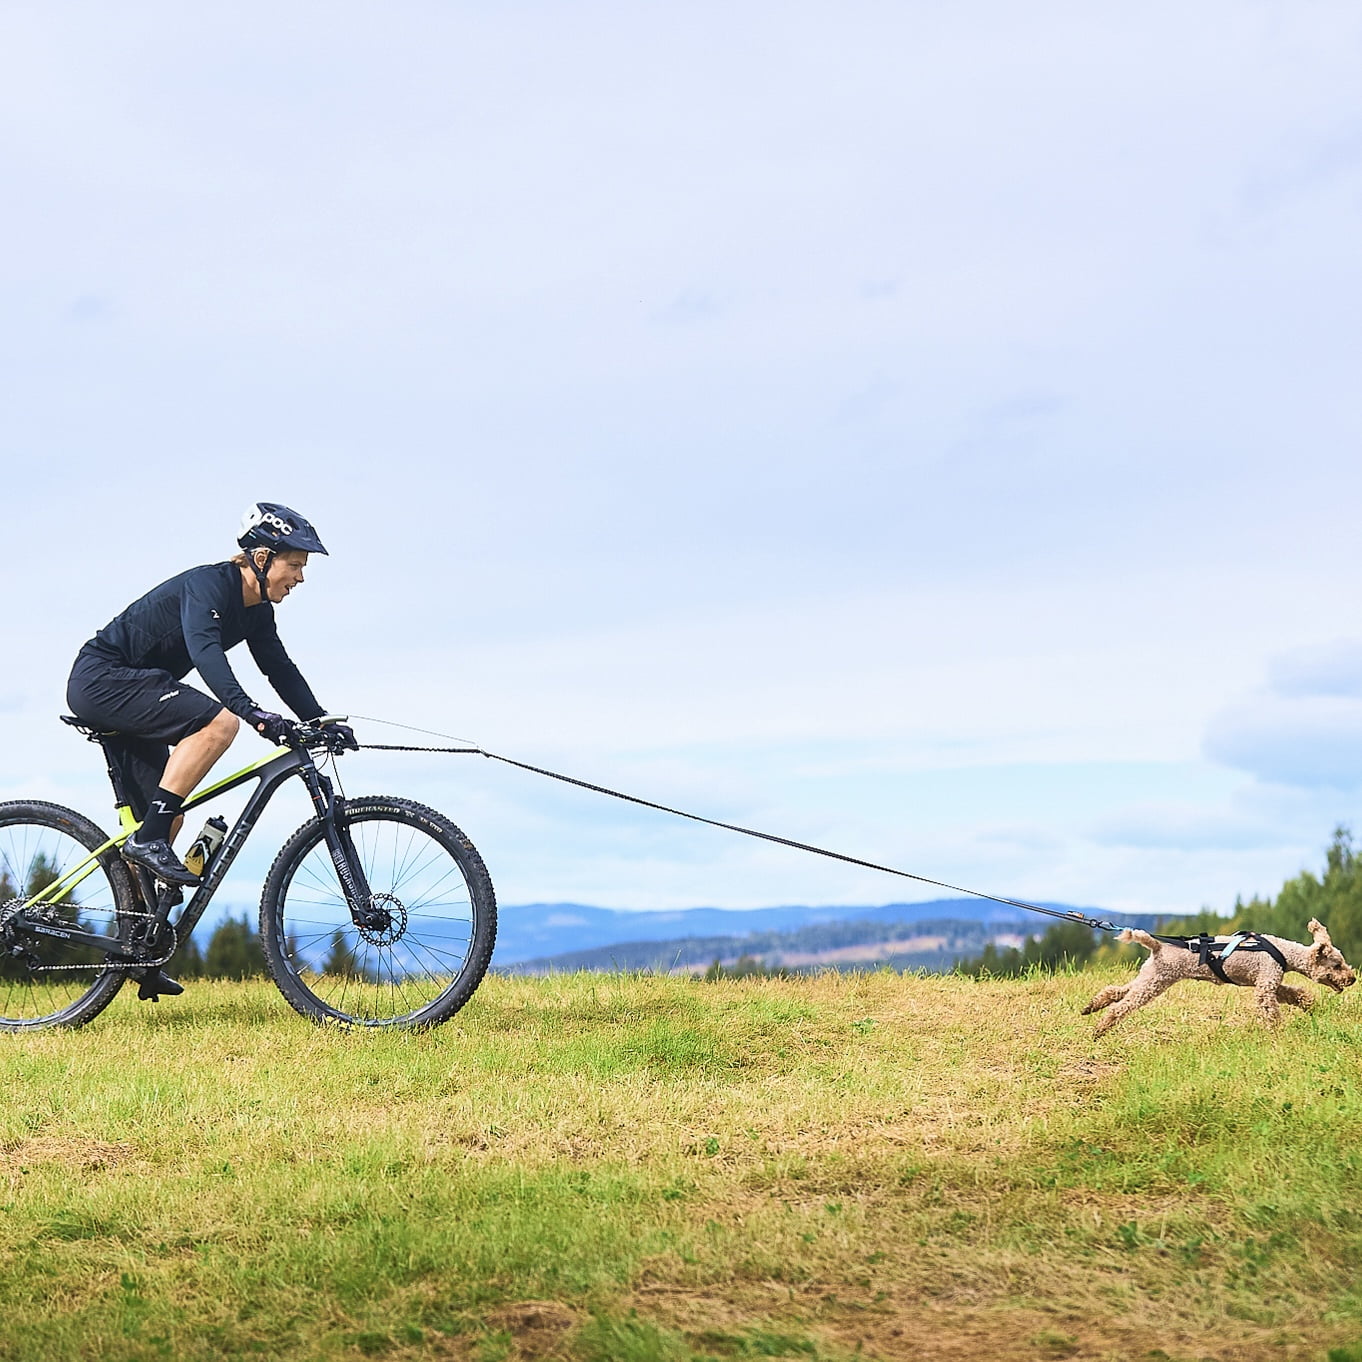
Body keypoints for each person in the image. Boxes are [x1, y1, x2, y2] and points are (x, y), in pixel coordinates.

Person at [66, 502, 356, 897]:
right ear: (261, 558)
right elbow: (206, 654)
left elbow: (279, 668)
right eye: (295, 565)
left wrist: (319, 720)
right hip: (103, 679)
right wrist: (250, 712)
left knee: (167, 820)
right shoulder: (209, 587)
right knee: (220, 724)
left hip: (139, 688)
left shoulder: (257, 612)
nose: (301, 577)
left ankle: (134, 936)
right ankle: (146, 841)